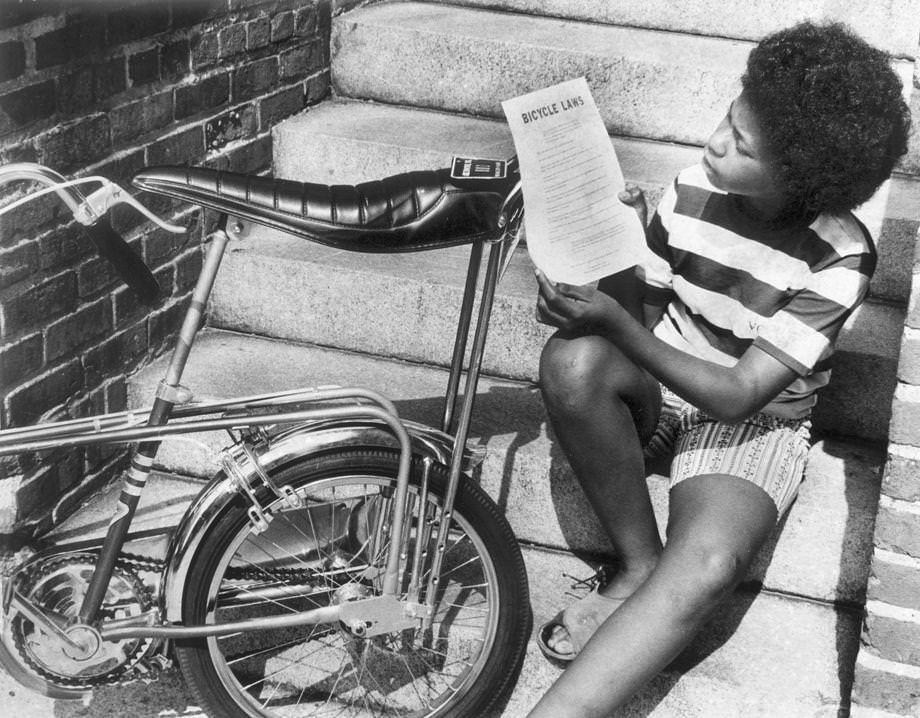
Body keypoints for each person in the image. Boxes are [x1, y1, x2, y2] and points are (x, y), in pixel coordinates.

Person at [528, 21, 911, 717]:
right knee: (574, 361)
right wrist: (608, 266)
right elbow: (642, 317)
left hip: (751, 422)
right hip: (661, 391)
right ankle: (638, 563)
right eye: (726, 120)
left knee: (708, 566)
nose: (714, 143)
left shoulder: (839, 256)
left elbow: (738, 396)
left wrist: (617, 324)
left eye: (741, 145)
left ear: (799, 178)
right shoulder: (690, 190)